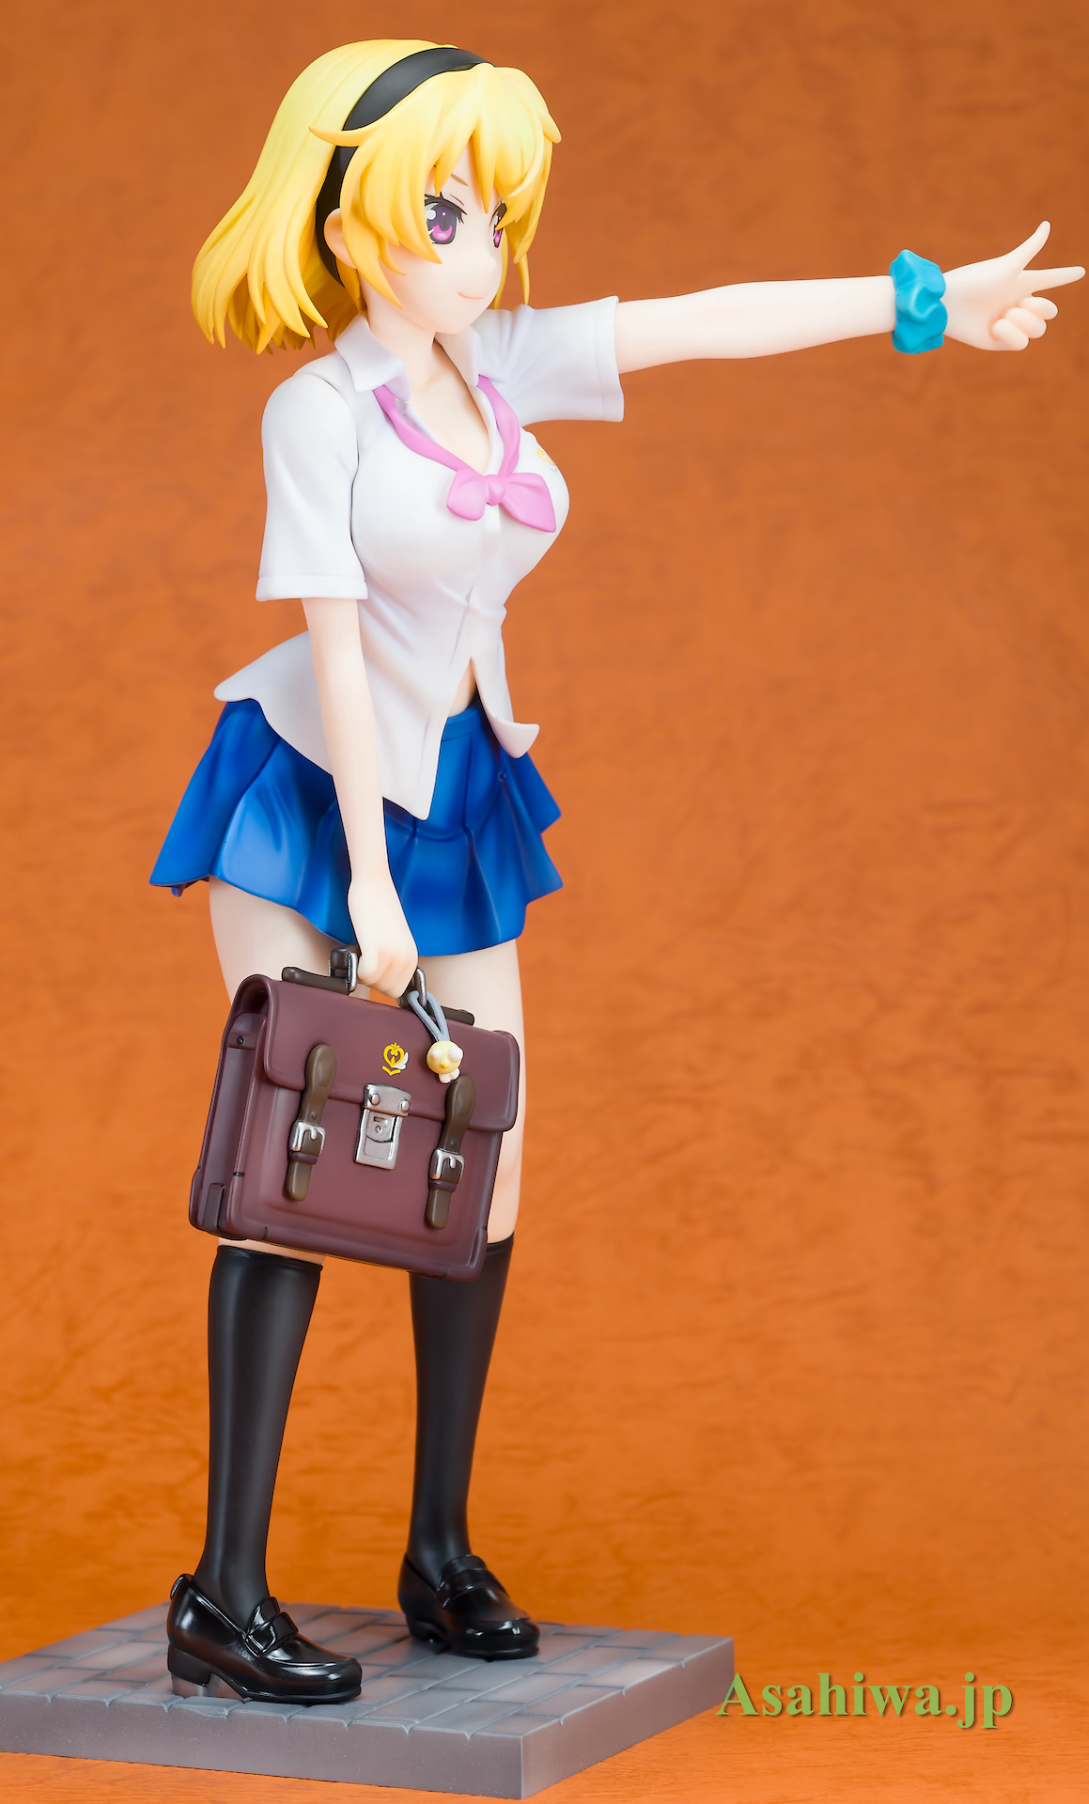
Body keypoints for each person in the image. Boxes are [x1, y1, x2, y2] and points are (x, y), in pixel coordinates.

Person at [151, 39, 1082, 1704]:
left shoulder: (498, 361)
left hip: (460, 790)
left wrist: (923, 303)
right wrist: (366, 886)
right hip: (306, 795)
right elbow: (337, 650)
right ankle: (223, 1593)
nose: (479, 247)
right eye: (443, 211)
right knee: (287, 1164)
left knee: (484, 1174)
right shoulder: (318, 410)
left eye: (496, 212)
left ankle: (438, 1551)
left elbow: (699, 321)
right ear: (351, 223)